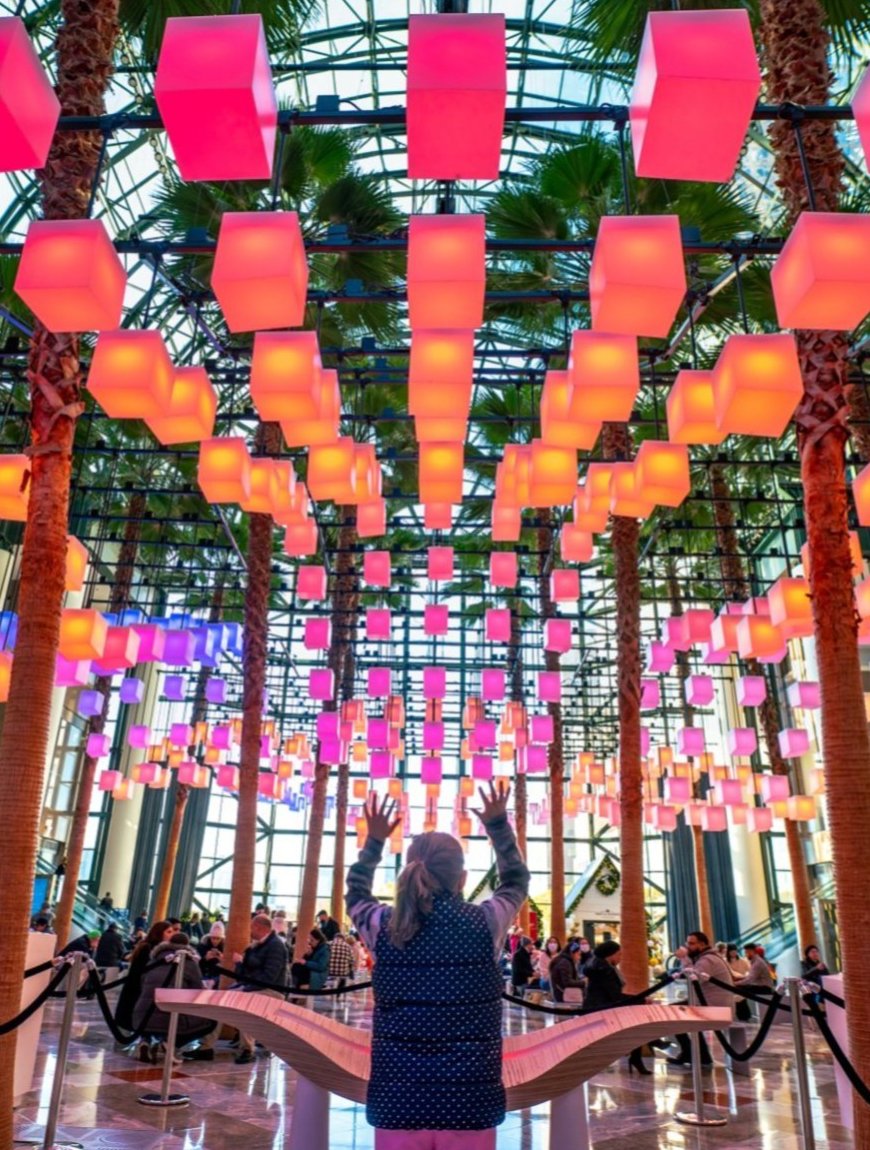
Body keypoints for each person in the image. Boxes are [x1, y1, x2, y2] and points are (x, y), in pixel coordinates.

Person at [346, 782, 529, 1149]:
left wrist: (374, 842)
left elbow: (356, 893)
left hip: (398, 1100)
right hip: (469, 1100)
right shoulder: (485, 923)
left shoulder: (384, 926)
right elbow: (515, 883)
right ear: (462, 879)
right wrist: (498, 827)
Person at [132, 932, 212, 1063]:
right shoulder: (189, 962)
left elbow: (143, 983)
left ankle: (144, 1041)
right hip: (170, 1017)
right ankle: (169, 1043)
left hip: (142, 1016)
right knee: (209, 1022)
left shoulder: (155, 960)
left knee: (153, 1016)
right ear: (187, 945)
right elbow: (196, 989)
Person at [584, 941, 650, 1074]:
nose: (620, 957)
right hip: (603, 1009)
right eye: (619, 954)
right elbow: (615, 995)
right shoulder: (605, 971)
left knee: (635, 1026)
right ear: (610, 955)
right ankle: (640, 1054)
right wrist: (641, 1000)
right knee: (636, 1027)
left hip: (599, 1007)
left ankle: (638, 1056)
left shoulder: (599, 966)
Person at [670, 930, 734, 1067]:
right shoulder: (706, 958)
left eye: (691, 944)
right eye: (687, 943)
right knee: (677, 1010)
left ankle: (693, 1053)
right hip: (712, 1003)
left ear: (703, 944)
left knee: (673, 1012)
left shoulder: (707, 960)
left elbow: (694, 977)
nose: (688, 947)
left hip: (715, 1006)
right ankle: (699, 1054)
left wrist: (683, 958)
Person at [231, 913, 289, 1064]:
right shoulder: (256, 946)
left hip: (272, 991)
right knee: (223, 997)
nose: (249, 931)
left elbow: (270, 977)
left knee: (246, 1002)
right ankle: (207, 1046)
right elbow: (243, 975)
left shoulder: (276, 946)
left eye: (251, 927)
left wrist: (247, 988)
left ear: (259, 927)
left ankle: (247, 1049)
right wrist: (239, 964)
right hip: (255, 986)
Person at [115, 920, 173, 1044]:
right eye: (168, 932)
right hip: (139, 988)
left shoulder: (150, 947)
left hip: (140, 987)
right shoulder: (149, 948)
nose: (172, 934)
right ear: (159, 933)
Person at [292, 927, 330, 991]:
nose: (310, 942)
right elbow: (308, 961)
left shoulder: (325, 950)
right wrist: (307, 955)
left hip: (318, 974)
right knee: (296, 966)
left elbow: (321, 967)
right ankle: (296, 987)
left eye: (312, 940)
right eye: (309, 940)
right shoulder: (315, 948)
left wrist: (306, 962)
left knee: (300, 969)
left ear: (318, 940)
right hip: (312, 972)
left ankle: (298, 988)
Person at [726, 943, 752, 1022]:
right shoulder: (725, 961)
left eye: (735, 951)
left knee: (742, 1000)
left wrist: (744, 976)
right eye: (732, 951)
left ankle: (745, 1017)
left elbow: (749, 971)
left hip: (742, 983)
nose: (734, 953)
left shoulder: (742, 961)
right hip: (731, 984)